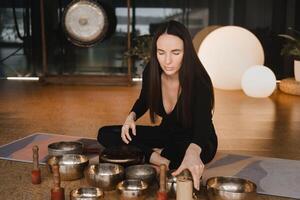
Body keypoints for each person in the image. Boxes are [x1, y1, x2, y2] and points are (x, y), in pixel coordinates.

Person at [98, 20, 218, 190]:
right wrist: (131, 116)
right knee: (106, 134)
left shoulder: (199, 81)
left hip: (197, 139)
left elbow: (203, 126)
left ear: (187, 52)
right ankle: (159, 158)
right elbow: (143, 100)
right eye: (161, 52)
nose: (167, 61)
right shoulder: (152, 71)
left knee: (183, 156)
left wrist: (193, 153)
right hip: (166, 133)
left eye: (175, 53)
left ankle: (153, 155)